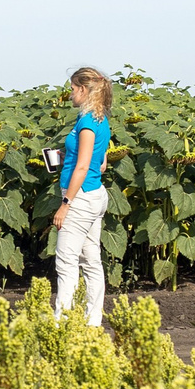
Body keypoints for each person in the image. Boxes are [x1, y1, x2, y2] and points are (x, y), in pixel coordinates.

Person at [50, 66, 112, 326]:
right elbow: (102, 164)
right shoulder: (100, 118)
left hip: (80, 199)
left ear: (84, 90)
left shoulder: (86, 122)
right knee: (91, 260)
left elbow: (85, 167)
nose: (71, 94)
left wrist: (65, 204)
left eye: (73, 89)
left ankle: (61, 324)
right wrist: (67, 158)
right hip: (95, 195)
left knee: (66, 262)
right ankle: (92, 322)